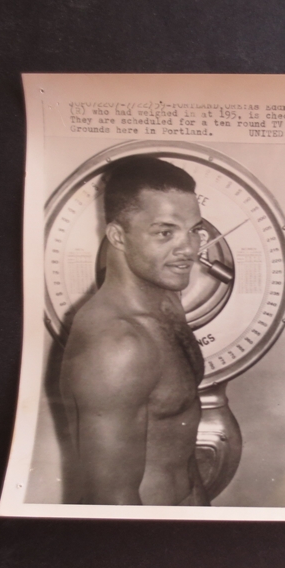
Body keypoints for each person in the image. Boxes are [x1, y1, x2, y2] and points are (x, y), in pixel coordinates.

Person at [60, 155, 208, 505]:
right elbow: (111, 501)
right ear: (117, 236)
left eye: (194, 231)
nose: (189, 249)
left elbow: (181, 451)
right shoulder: (116, 345)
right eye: (165, 232)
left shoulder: (166, 298)